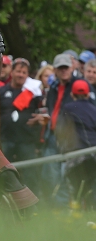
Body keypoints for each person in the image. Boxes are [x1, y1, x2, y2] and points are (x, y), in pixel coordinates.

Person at [0, 58, 43, 191]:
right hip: (5, 139)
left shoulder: (34, 94)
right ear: (12, 71)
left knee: (30, 174)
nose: (21, 75)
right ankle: (3, 200)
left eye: (24, 72)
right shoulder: (1, 92)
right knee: (4, 173)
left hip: (26, 141)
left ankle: (32, 204)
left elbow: (42, 114)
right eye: (18, 71)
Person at [42, 52, 78, 205]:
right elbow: (52, 109)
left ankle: (71, 206)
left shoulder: (79, 86)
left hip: (72, 137)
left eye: (66, 68)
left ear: (71, 68)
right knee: (50, 173)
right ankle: (59, 207)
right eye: (60, 68)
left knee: (69, 174)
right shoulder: (53, 88)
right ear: (55, 70)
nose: (64, 71)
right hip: (53, 135)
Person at [55, 80, 96, 208]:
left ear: (72, 95)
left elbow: (60, 131)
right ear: (88, 95)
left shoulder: (67, 108)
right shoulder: (94, 109)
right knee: (91, 190)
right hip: (93, 155)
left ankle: (78, 216)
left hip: (75, 157)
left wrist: (63, 151)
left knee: (76, 191)